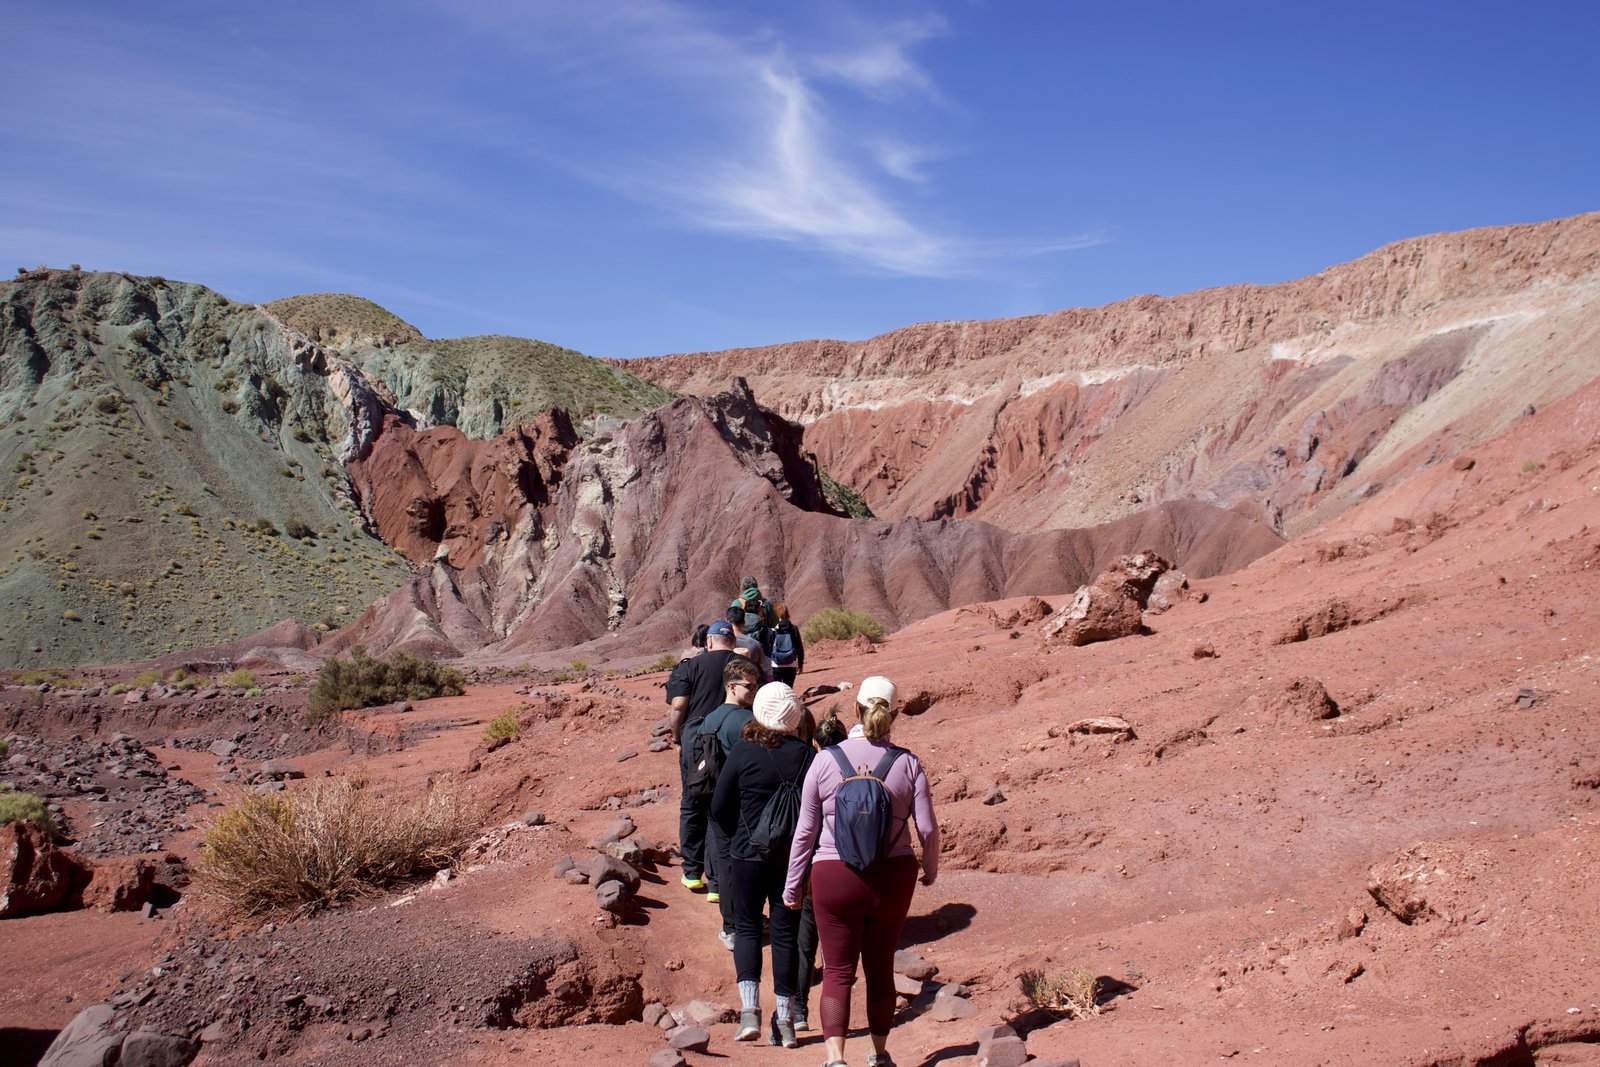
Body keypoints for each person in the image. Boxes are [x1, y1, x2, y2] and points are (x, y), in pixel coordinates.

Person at [783, 677, 939, 1067]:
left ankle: (835, 1058)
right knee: (881, 965)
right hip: (893, 875)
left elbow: (806, 831)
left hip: (833, 875)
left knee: (837, 971)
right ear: (894, 713)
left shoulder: (825, 759)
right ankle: (880, 1054)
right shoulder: (907, 762)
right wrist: (930, 868)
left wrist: (792, 886)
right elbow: (928, 829)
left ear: (855, 710)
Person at [711, 682, 815, 1047]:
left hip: (746, 855)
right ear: (794, 716)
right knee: (786, 934)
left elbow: (720, 807)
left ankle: (749, 1013)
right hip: (793, 859)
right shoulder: (808, 755)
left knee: (749, 928)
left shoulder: (743, 752)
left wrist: (738, 836)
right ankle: (786, 1021)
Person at [666, 620, 741, 892]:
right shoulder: (744, 668)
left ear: (708, 642)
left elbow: (677, 708)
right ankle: (719, 882)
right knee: (724, 806)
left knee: (692, 803)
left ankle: (692, 872)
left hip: (695, 742)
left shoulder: (689, 667)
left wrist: (677, 738)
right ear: (732, 641)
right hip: (733, 741)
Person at [697, 655, 762, 946]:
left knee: (724, 861)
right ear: (732, 686)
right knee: (746, 862)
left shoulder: (708, 719)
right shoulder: (747, 721)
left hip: (712, 799)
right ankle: (742, 923)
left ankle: (731, 925)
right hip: (742, 803)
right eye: (749, 686)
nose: (754, 691)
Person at [790, 710, 847, 1032]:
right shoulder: (862, 769)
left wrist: (794, 881)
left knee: (805, 942)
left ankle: (799, 1010)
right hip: (854, 867)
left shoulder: (813, 767)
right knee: (838, 951)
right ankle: (837, 1021)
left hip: (818, 865)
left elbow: (805, 829)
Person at [727, 610, 773, 682]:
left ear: (727, 621)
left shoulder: (724, 643)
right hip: (752, 684)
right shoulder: (754, 644)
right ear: (744, 622)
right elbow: (763, 668)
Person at [768, 602, 805, 687]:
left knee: (777, 690)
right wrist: (800, 664)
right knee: (788, 689)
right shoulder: (793, 628)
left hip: (775, 665)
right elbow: (799, 647)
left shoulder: (771, 629)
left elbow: (768, 648)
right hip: (791, 663)